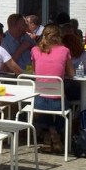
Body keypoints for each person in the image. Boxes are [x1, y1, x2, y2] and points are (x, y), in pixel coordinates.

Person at [31, 23, 77, 151]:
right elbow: (72, 74)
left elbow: (35, 71)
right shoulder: (64, 51)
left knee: (44, 102)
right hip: (57, 102)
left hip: (38, 101)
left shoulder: (35, 50)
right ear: (59, 36)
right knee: (68, 107)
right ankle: (55, 131)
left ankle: (48, 133)